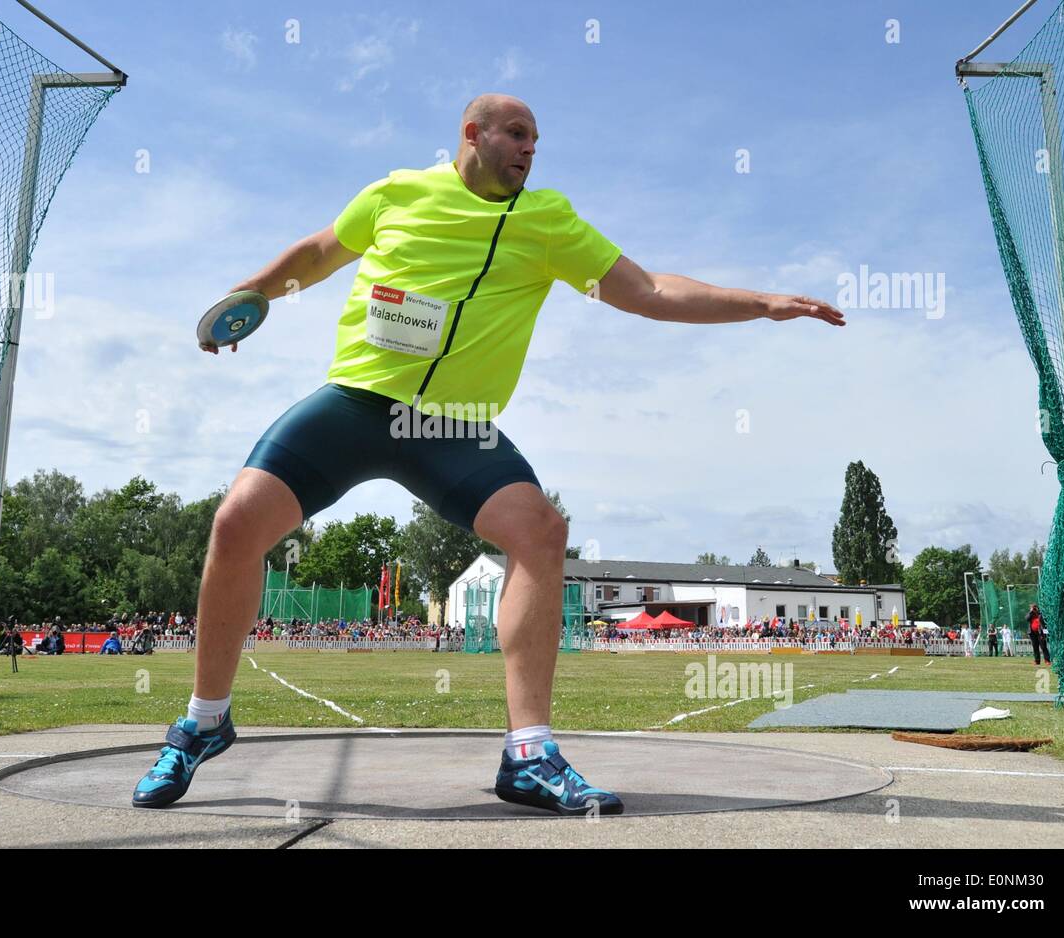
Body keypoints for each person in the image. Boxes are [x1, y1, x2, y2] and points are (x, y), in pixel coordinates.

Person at [131, 93, 844, 815]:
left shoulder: (547, 221)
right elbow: (319, 252)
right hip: (357, 402)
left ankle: (529, 754)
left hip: (453, 425)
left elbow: (650, 290)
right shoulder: (396, 193)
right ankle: (203, 723)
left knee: (540, 529)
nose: (531, 149)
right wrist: (253, 293)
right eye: (518, 134)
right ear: (473, 134)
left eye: (536, 140)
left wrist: (760, 302)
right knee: (235, 524)